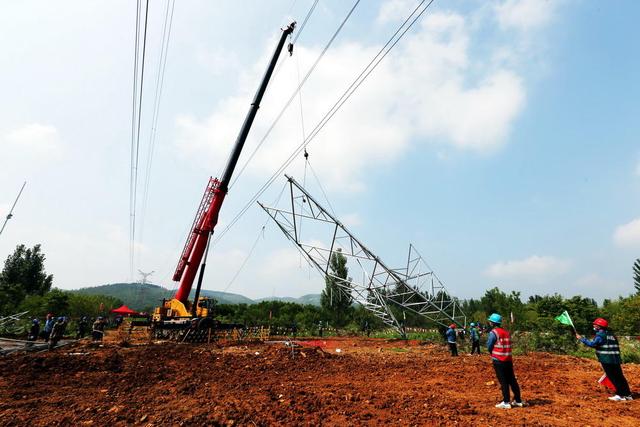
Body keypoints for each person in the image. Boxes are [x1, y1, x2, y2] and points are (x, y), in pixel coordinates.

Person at [576, 318, 632, 401]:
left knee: (613, 377)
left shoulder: (600, 335)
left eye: (595, 324)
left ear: (599, 326)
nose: (593, 325)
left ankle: (621, 395)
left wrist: (581, 339)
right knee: (620, 377)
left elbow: (592, 344)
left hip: (607, 359)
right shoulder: (612, 335)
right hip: (615, 359)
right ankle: (628, 395)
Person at [487, 313, 523, 409]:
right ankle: (518, 400)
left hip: (498, 360)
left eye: (490, 321)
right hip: (508, 360)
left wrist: (492, 353)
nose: (489, 322)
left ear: (492, 323)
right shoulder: (506, 332)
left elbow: (489, 346)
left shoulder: (493, 333)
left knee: (503, 381)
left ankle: (506, 402)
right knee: (512, 380)